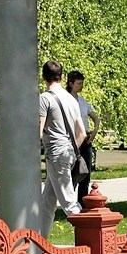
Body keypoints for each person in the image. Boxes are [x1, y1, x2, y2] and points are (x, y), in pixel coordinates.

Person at [39, 60, 85, 237]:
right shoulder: (71, 99)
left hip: (56, 154)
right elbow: (81, 133)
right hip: (68, 152)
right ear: (62, 77)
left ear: (43, 77)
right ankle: (39, 245)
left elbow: (38, 130)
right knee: (48, 202)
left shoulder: (45, 99)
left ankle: (90, 238)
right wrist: (70, 150)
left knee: (69, 202)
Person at [67, 70, 100, 199]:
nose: (81, 86)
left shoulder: (82, 101)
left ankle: (82, 203)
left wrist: (94, 131)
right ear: (71, 84)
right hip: (73, 140)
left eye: (82, 83)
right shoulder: (66, 100)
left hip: (86, 140)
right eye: (78, 83)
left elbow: (95, 118)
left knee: (85, 173)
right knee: (73, 174)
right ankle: (70, 203)